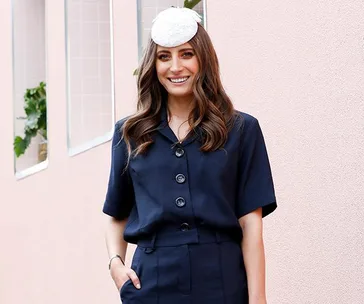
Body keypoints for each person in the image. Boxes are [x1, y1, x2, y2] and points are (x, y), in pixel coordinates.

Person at [103, 7, 277, 304]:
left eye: (186, 54)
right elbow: (116, 213)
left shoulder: (241, 129)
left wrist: (258, 298)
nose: (175, 67)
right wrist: (115, 266)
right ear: (153, 65)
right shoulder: (130, 133)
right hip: (151, 282)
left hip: (222, 279)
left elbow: (251, 224)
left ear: (203, 59)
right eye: (164, 56)